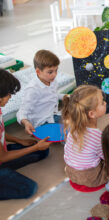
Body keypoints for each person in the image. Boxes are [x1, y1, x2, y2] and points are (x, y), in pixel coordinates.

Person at [0, 68, 51, 200]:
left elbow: (1, 133)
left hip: (2, 154)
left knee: (42, 152)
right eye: (8, 94)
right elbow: (3, 157)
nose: (10, 97)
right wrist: (34, 147)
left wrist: (19, 141)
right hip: (1, 157)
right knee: (29, 188)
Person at [62, 85, 108, 187]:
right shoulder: (97, 136)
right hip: (90, 178)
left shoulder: (72, 129)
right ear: (91, 114)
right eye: (102, 102)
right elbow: (107, 157)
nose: (105, 103)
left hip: (70, 172)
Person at [17, 50, 63, 135]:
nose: (55, 74)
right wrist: (26, 123)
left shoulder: (52, 80)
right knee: (67, 132)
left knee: (77, 118)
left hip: (53, 114)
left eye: (56, 70)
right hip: (42, 122)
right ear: (38, 71)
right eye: (50, 72)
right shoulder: (32, 90)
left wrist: (66, 96)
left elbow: (52, 95)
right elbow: (21, 113)